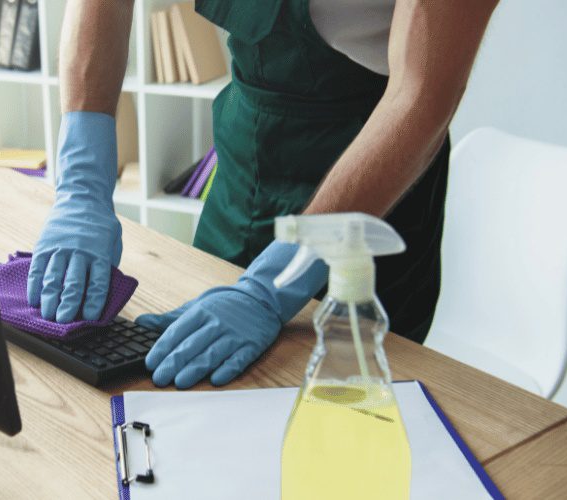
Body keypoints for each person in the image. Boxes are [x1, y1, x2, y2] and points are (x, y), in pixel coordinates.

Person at [28, 0, 499, 388]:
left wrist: (275, 284)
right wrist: (81, 185)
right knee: (191, 395)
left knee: (340, 422)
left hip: (368, 195)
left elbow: (421, 98)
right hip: (243, 166)